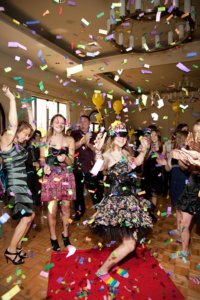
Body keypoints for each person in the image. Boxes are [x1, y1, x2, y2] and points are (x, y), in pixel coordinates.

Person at [86, 121, 152, 287]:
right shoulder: (108, 154)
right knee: (130, 244)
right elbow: (95, 170)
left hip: (129, 201)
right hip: (116, 203)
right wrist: (98, 151)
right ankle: (103, 270)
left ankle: (111, 264)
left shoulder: (125, 152)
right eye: (118, 135)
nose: (122, 138)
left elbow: (136, 163)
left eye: (124, 135)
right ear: (112, 136)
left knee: (126, 241)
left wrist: (144, 150)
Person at [0, 85, 35, 265]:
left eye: (28, 136)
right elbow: (13, 125)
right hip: (15, 186)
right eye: (24, 134)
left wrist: (29, 110)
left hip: (23, 185)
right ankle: (11, 250)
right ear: (17, 131)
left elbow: (33, 128)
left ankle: (18, 245)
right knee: (27, 217)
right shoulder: (6, 141)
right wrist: (12, 99)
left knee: (30, 217)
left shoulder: (20, 144)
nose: (27, 137)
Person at [40, 114, 76, 251]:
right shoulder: (45, 139)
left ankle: (65, 236)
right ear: (51, 123)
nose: (59, 124)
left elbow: (72, 162)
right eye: (57, 121)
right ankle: (53, 237)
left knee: (66, 208)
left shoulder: (70, 139)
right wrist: (45, 167)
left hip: (66, 176)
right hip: (51, 177)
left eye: (62, 122)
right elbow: (42, 158)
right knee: (52, 210)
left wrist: (65, 158)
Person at [170, 120, 200, 258]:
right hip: (193, 186)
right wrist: (182, 159)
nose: (197, 135)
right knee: (184, 222)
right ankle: (184, 250)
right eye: (195, 132)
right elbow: (186, 169)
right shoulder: (191, 147)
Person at [71, 115, 104, 220]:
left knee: (95, 191)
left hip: (92, 168)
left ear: (89, 123)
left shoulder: (95, 135)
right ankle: (79, 211)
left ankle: (100, 212)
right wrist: (81, 142)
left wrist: (87, 142)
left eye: (85, 121)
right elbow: (72, 148)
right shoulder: (74, 134)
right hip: (78, 168)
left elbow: (98, 150)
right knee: (78, 192)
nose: (83, 123)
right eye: (81, 121)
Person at [25, 130, 42, 207]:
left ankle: (37, 203)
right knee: (30, 187)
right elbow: (25, 161)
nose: (39, 138)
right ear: (33, 138)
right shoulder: (26, 148)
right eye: (38, 136)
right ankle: (29, 203)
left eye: (39, 136)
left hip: (37, 170)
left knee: (38, 186)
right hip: (29, 170)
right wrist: (32, 163)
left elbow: (40, 158)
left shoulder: (38, 148)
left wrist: (38, 162)